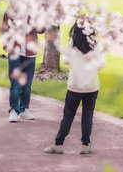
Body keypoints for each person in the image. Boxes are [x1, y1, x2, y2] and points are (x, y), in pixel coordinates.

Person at [44, 19, 105, 155]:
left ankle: (58, 144)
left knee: (68, 116)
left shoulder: (72, 45)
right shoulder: (96, 45)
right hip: (92, 86)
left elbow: (65, 60)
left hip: (74, 86)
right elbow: (101, 65)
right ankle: (85, 145)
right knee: (87, 116)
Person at [1, 11, 45, 123]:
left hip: (30, 52)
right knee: (16, 83)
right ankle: (14, 110)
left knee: (27, 84)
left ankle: (23, 109)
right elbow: (4, 29)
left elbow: (42, 30)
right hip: (15, 51)